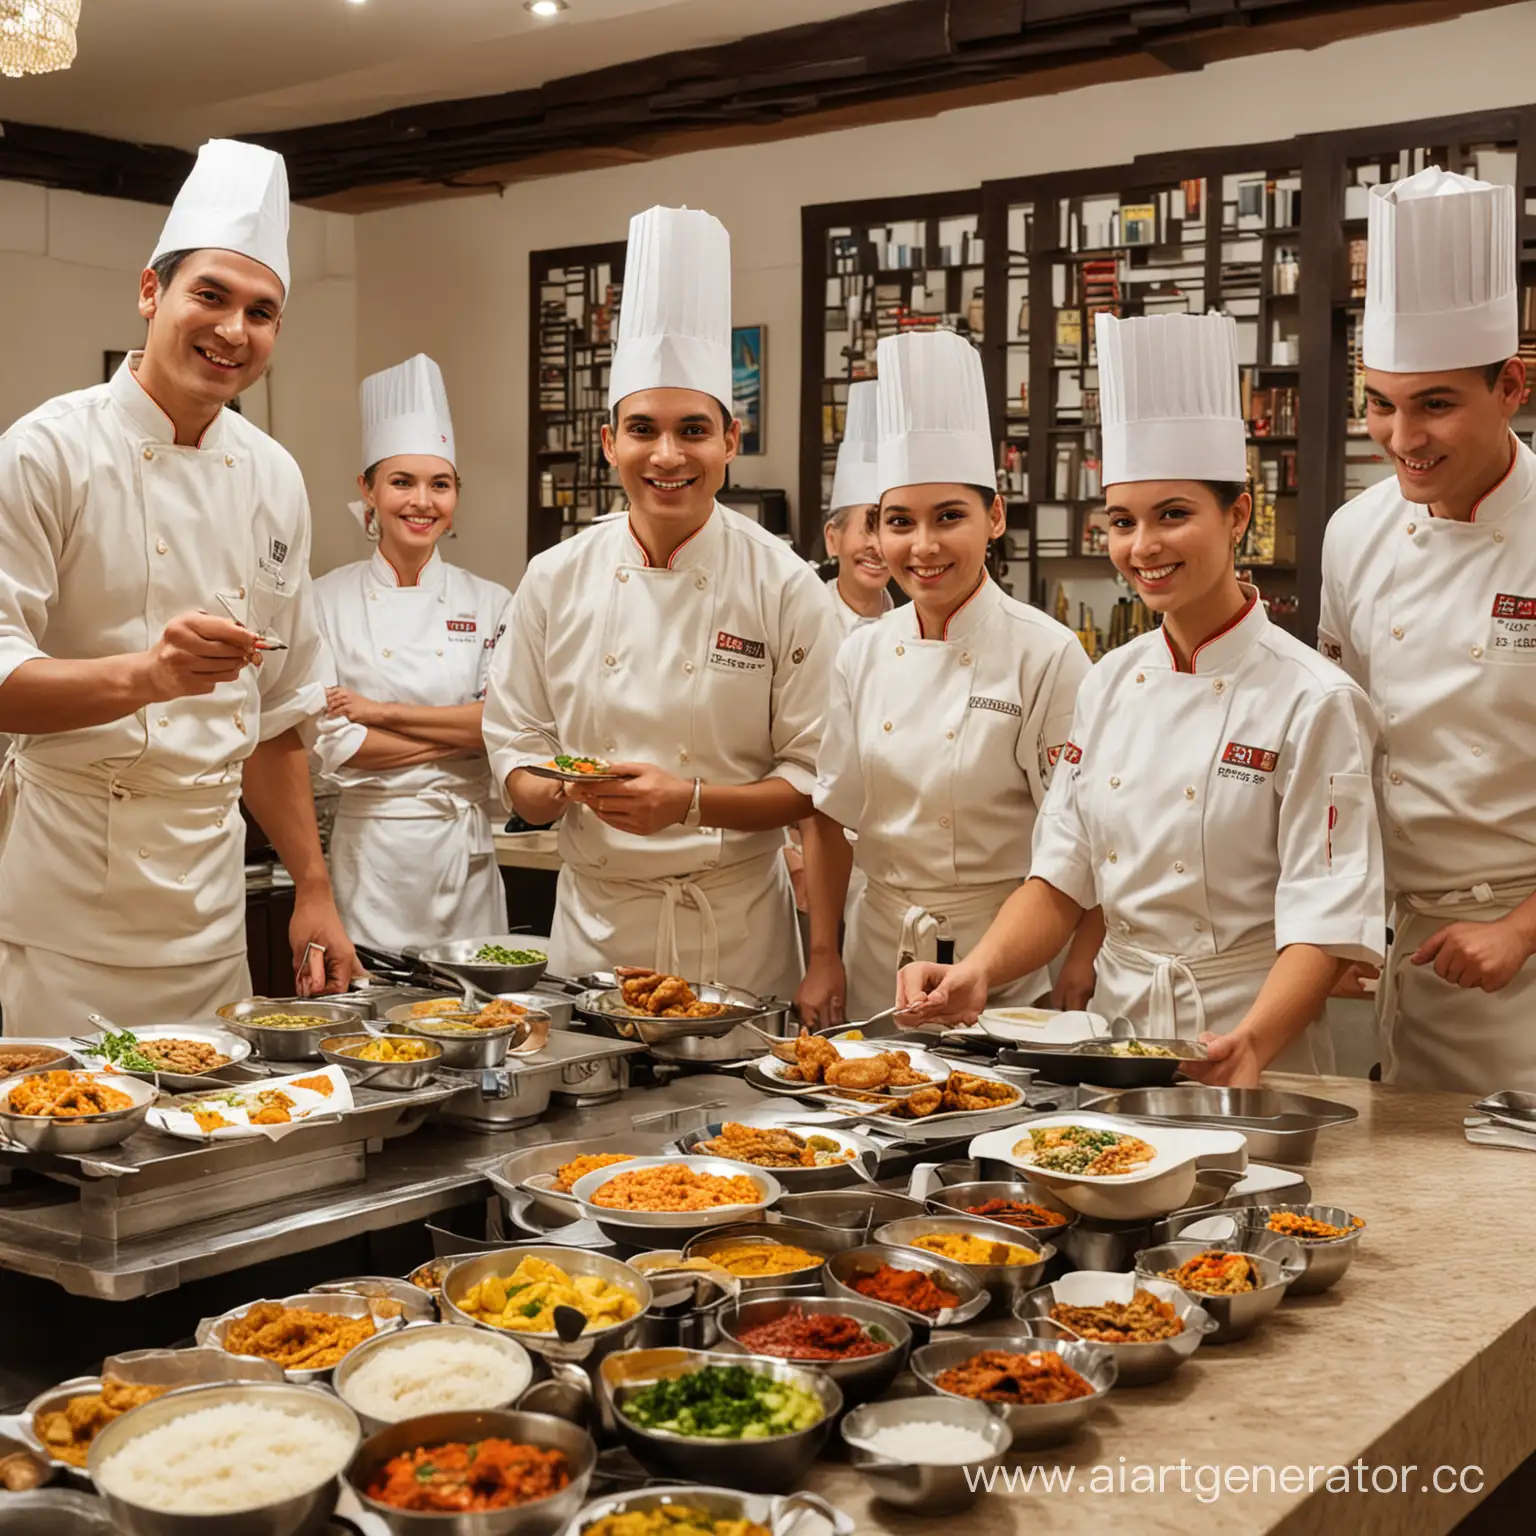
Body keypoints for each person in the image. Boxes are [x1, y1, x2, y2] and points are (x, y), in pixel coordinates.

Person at [898, 313, 1387, 1083]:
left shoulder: (1315, 699)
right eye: (1122, 522)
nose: (1143, 548)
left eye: (1173, 515)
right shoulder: (1109, 680)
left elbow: (1326, 921)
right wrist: (980, 971)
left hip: (1254, 1042)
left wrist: (1253, 1041)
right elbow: (1061, 876)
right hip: (1117, 1039)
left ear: (1238, 514)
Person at [0, 140, 359, 1035]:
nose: (235, 330)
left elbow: (275, 717)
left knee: (212, 1144)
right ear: (151, 293)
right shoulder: (46, 452)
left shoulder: (274, 475)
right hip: (65, 902)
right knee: (59, 1148)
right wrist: (148, 676)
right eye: (211, 295)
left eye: (262, 311)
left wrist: (313, 887)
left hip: (209, 906)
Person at [483, 205, 847, 1016]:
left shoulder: (785, 585)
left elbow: (814, 778)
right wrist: (541, 791)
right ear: (608, 440)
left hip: (738, 928)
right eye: (643, 430)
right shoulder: (553, 577)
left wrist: (688, 801)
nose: (668, 456)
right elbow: (515, 742)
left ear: (730, 438)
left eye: (693, 431)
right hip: (596, 926)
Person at [1319, 168, 1536, 1094]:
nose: (1401, 437)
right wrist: (1348, 910)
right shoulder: (1355, 533)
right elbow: (1348, 742)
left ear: (1512, 385)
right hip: (1410, 946)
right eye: (1379, 402)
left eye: (1435, 403)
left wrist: (1521, 931)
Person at [812, 329, 1094, 1017]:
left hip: (1008, 959)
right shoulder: (862, 651)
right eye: (899, 522)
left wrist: (1080, 963)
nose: (924, 545)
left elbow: (1088, 840)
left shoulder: (1046, 654)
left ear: (995, 517)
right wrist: (823, 954)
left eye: (950, 517)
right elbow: (828, 814)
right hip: (878, 948)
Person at [307, 354, 512, 953]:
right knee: (372, 1030)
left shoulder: (491, 600)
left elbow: (507, 725)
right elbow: (340, 745)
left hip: (464, 855)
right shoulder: (324, 600)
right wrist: (467, 732)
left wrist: (380, 711)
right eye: (402, 482)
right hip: (372, 858)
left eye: (440, 484)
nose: (422, 502)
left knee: (478, 1020)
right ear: (366, 489)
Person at [822, 380, 893, 635]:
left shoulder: (914, 626)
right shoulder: (804, 618)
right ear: (832, 538)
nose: (878, 547)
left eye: (892, 528)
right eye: (868, 527)